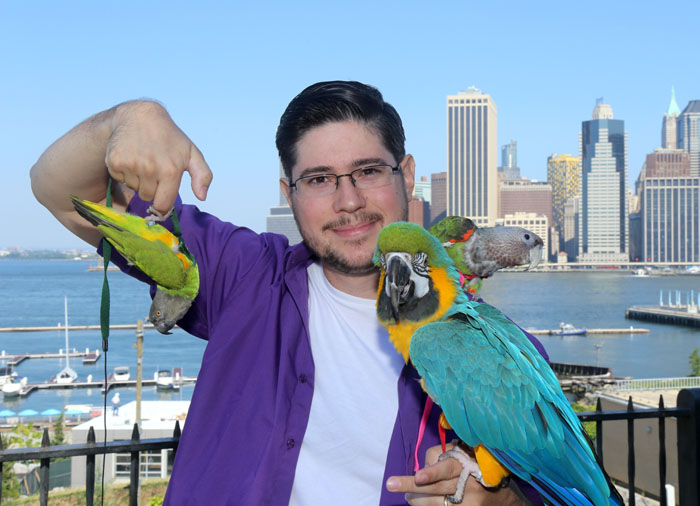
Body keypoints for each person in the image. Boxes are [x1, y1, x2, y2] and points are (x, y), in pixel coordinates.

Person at [31, 81, 546, 505]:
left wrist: (501, 501)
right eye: (319, 179)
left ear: (406, 176)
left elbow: (549, 489)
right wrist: (130, 115)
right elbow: (60, 190)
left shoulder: (497, 356)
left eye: (368, 171)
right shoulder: (242, 273)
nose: (349, 201)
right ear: (289, 193)